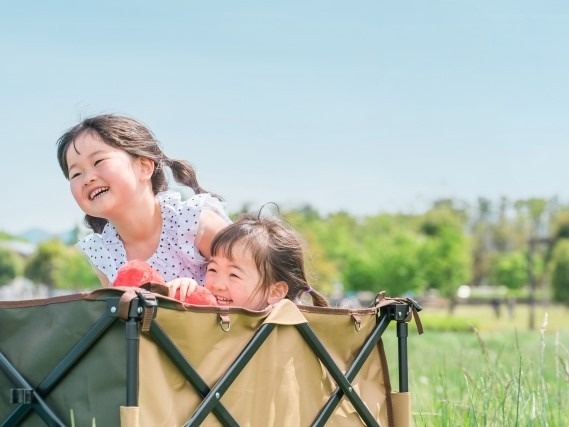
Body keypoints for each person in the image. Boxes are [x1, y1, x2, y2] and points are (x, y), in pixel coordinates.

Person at [56, 113, 231, 298]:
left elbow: (255, 288)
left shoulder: (193, 223)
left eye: (98, 161)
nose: (88, 178)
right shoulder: (104, 254)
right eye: (76, 174)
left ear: (144, 167)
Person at [201, 209, 330, 310]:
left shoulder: (281, 332)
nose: (217, 285)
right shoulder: (207, 313)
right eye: (212, 269)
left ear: (275, 292)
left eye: (234, 275)